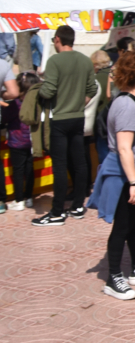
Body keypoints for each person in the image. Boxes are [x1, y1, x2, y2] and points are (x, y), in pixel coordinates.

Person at [87, 51, 135, 298]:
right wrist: (133, 183)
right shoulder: (125, 105)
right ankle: (113, 278)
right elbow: (124, 148)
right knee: (122, 226)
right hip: (127, 176)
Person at [33, 25, 98, 226]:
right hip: (78, 117)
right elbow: (92, 88)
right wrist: (79, 103)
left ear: (58, 40)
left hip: (60, 118)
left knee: (60, 166)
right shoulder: (85, 60)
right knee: (80, 163)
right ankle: (78, 206)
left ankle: (57, 212)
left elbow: (48, 91)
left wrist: (39, 89)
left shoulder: (55, 61)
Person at [0, 72, 39, 211]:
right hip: (32, 140)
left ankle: (19, 200)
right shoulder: (37, 103)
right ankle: (29, 198)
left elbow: (4, 118)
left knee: (18, 170)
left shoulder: (15, 105)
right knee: (29, 169)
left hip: (17, 142)